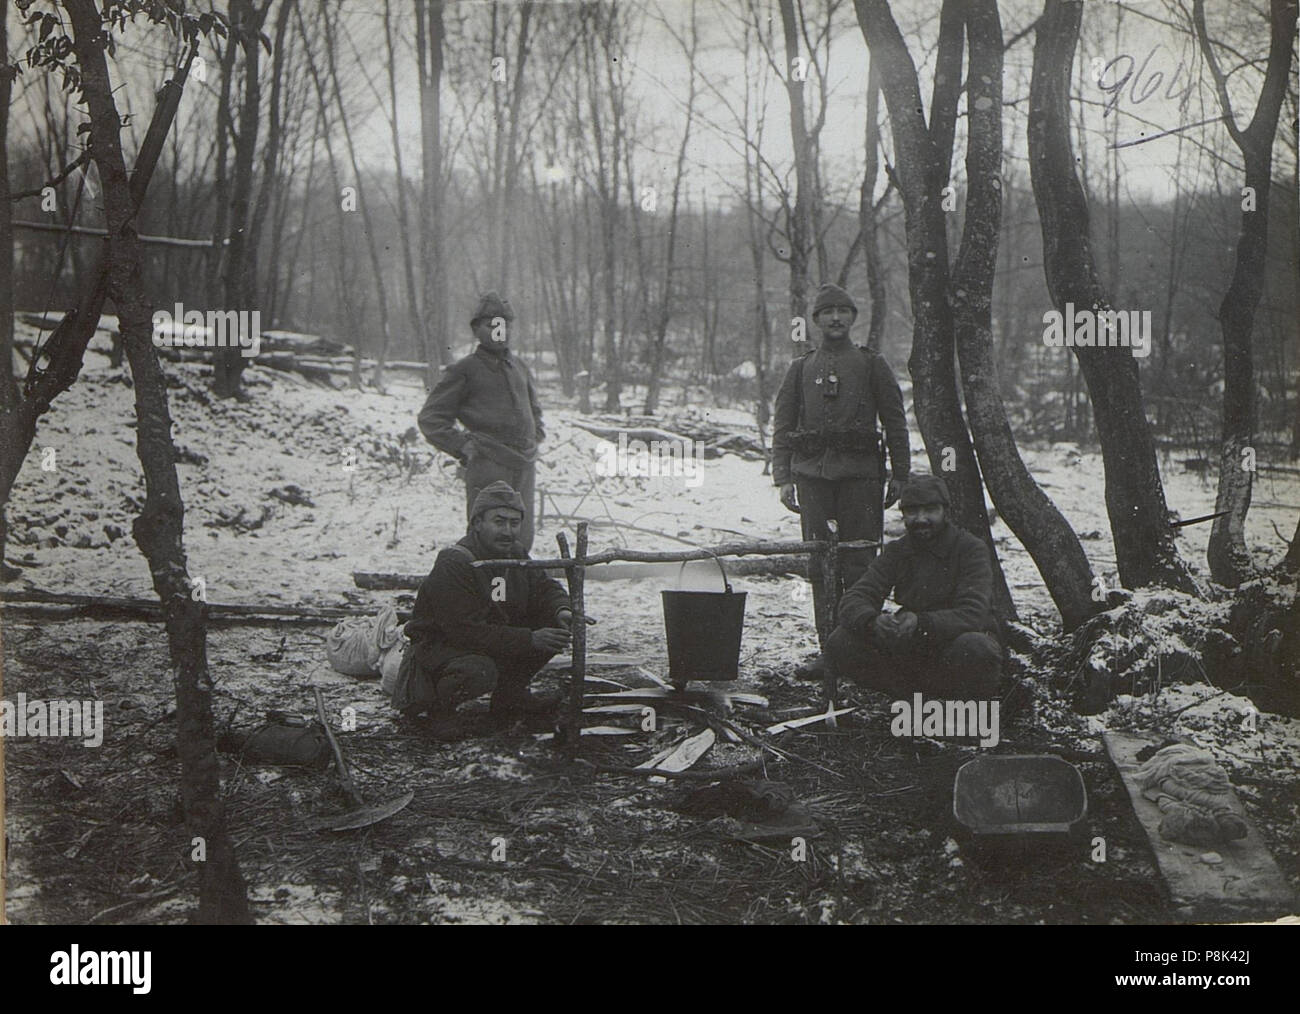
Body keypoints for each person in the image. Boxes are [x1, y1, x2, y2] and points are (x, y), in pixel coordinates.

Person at [772, 282, 911, 643]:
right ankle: (828, 644)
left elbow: (895, 421)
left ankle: (860, 643)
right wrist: (783, 478)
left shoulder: (871, 364)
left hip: (861, 478)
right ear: (817, 320)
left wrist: (901, 473)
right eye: (827, 312)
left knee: (861, 561)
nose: (835, 318)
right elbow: (784, 425)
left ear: (852, 317)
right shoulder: (801, 368)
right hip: (812, 478)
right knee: (818, 563)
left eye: (843, 311)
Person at [389, 481, 579, 739]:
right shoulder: (455, 562)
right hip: (440, 649)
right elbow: (463, 630)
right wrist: (529, 638)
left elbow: (544, 586)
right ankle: (439, 710)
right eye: (499, 522)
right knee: (478, 670)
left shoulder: (515, 553)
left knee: (553, 625)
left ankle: (510, 697)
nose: (508, 531)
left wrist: (562, 610)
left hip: (489, 639)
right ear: (477, 523)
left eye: (514, 523)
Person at [809, 474, 1002, 700]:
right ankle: (911, 696)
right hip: (913, 648)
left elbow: (974, 613)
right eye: (912, 511)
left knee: (976, 647)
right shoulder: (898, 551)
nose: (921, 519)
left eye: (930, 510)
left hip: (956, 642)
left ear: (945, 511)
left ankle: (961, 708)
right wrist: (872, 621)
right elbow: (856, 596)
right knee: (841, 640)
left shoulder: (971, 549)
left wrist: (922, 622)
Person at [418, 292, 545, 552]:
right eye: (492, 325)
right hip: (489, 463)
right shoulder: (465, 369)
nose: (500, 331)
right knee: (489, 530)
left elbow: (534, 410)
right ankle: (483, 584)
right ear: (476, 329)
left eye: (505, 325)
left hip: (524, 464)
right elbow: (431, 419)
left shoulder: (519, 366)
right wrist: (464, 446)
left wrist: (535, 436)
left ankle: (518, 583)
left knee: (522, 531)